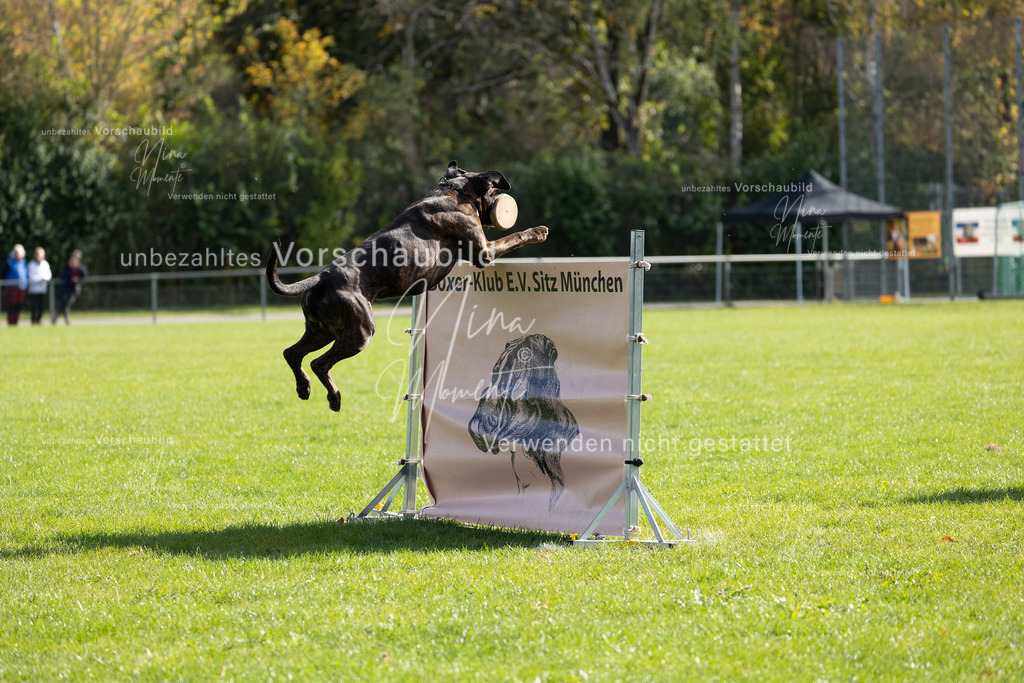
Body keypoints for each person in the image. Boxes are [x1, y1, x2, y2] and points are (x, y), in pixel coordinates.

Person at [53, 250, 88, 325]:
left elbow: (85, 276)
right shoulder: (66, 267)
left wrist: (77, 279)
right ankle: (63, 318)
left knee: (67, 303)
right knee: (64, 303)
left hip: (74, 289)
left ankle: (58, 317)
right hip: (66, 289)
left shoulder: (80, 268)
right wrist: (70, 279)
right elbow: (62, 275)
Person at [4, 244, 28, 326]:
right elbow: (4, 273)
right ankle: (10, 321)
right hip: (12, 287)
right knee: (12, 304)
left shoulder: (23, 262)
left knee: (18, 304)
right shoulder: (9, 262)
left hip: (21, 287)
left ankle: (16, 320)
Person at [26, 246, 52, 325]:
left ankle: (39, 320)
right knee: (33, 306)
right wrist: (39, 279)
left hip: (42, 289)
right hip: (33, 290)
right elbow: (31, 276)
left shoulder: (45, 264)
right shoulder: (31, 264)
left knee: (41, 306)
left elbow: (48, 275)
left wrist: (44, 279)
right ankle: (33, 320)